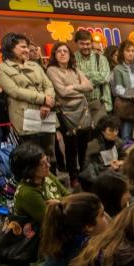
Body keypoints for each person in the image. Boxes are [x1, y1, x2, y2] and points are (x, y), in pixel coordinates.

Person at [0, 33, 57, 171]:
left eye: (27, 47)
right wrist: (42, 99)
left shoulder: (35, 66)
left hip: (46, 113)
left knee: (50, 154)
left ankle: (53, 186)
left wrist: (47, 103)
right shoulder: (2, 68)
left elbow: (49, 85)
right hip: (25, 117)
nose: (27, 50)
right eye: (23, 47)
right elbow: (14, 91)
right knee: (33, 157)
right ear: (10, 48)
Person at [40, 193, 108, 266]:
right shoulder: (84, 255)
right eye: (102, 215)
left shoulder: (67, 239)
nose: (106, 220)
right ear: (89, 226)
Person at [46, 42, 93, 187]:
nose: (62, 53)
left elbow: (89, 86)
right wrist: (80, 91)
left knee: (84, 145)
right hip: (65, 113)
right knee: (71, 148)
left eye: (65, 51)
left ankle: (85, 174)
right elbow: (62, 92)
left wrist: (73, 86)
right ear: (54, 55)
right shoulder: (52, 70)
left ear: (69, 54)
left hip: (82, 112)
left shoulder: (75, 69)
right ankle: (74, 177)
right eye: (58, 51)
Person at [10, 143, 69, 225]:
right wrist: (62, 203)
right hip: (45, 233)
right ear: (30, 170)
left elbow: (69, 195)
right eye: (43, 164)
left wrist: (59, 202)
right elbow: (50, 223)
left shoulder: (45, 175)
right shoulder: (28, 193)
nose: (49, 165)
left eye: (47, 160)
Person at [74, 30, 112, 120]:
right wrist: (95, 75)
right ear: (76, 43)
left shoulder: (101, 59)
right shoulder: (72, 59)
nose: (85, 47)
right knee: (85, 133)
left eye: (88, 44)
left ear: (91, 43)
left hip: (101, 104)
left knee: (102, 132)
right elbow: (72, 80)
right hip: (80, 106)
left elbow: (105, 77)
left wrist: (83, 77)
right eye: (82, 44)